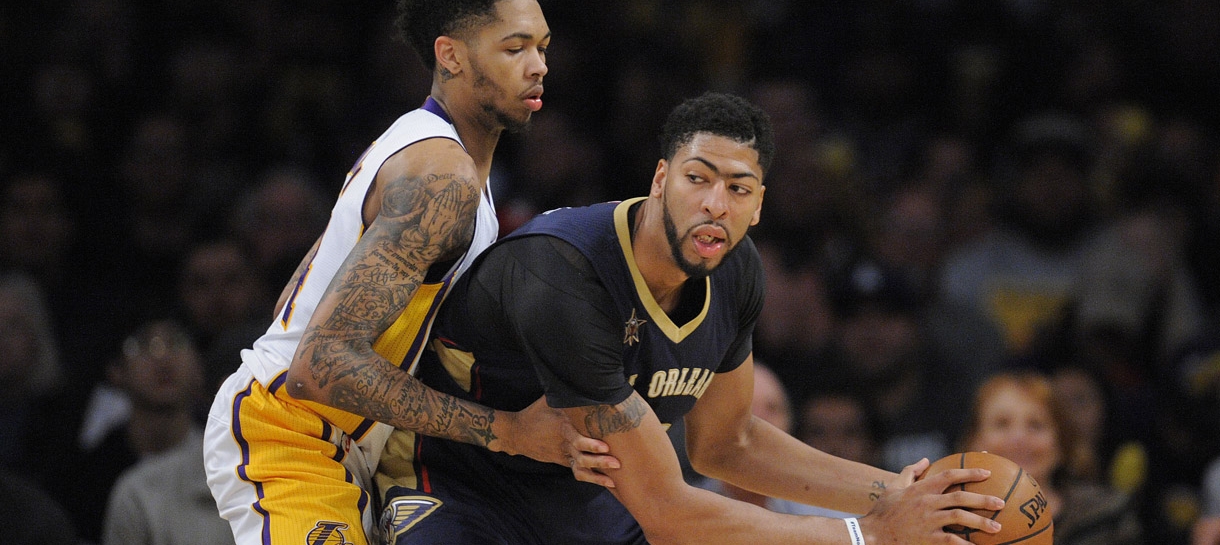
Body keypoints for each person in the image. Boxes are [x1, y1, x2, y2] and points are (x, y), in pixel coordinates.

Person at [376, 92, 1004, 545]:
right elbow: (669, 513)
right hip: (459, 491)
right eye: (697, 179)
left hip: (586, 506)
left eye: (738, 188)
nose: (714, 204)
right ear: (660, 179)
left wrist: (899, 494)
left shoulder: (737, 271)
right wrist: (869, 534)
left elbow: (729, 443)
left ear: (758, 205)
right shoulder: (562, 273)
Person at [203, 2, 611, 544]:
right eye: (515, 48)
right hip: (287, 430)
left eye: (542, 47)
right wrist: (509, 432)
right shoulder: (442, 178)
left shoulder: (428, 150)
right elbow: (318, 365)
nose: (538, 66)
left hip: (345, 445)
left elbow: (294, 301)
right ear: (451, 55)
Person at [960, 371, 1143, 545]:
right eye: (1002, 424)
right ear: (974, 441)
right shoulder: (953, 523)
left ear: (1061, 442)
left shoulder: (1107, 514)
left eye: (1036, 425)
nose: (1019, 438)